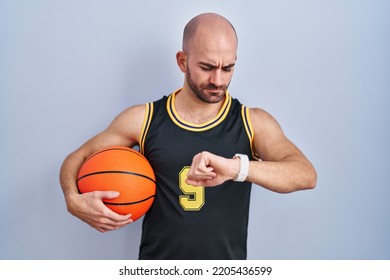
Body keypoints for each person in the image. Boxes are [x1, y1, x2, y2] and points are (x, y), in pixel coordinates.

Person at [59, 13, 317, 260]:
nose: (218, 79)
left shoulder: (252, 122)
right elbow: (78, 157)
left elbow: (306, 174)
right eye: (207, 67)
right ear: (182, 61)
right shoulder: (144, 119)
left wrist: (237, 168)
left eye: (228, 68)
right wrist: (73, 199)